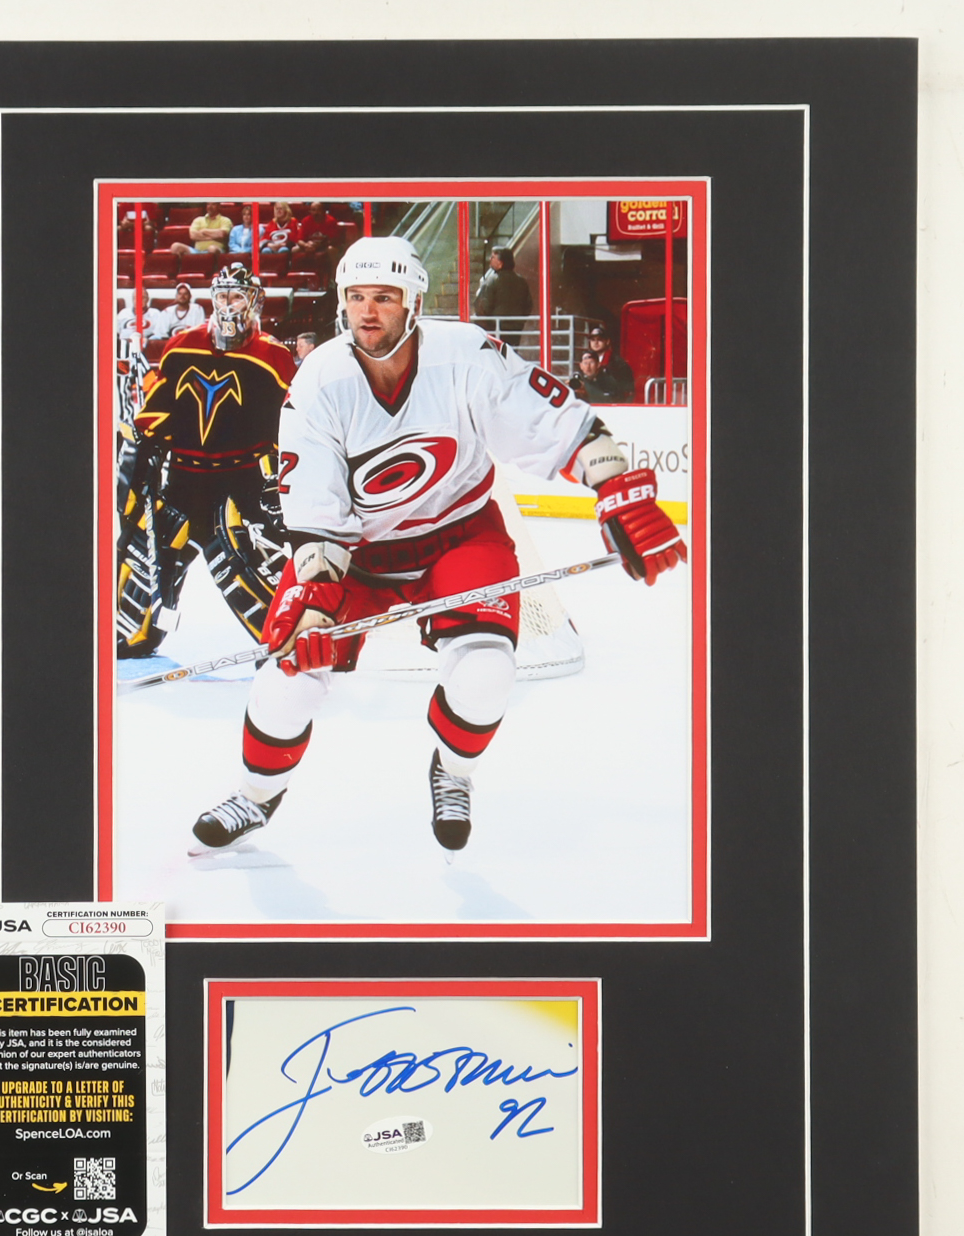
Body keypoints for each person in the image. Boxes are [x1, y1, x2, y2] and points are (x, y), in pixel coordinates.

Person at [189, 237, 685, 856]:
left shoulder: (467, 355)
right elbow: (314, 506)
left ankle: (453, 773)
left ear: (415, 303)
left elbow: (558, 422)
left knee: (486, 671)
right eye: (356, 296)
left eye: (385, 297)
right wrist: (314, 606)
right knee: (287, 677)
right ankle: (255, 796)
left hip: (460, 535)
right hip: (355, 556)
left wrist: (618, 488)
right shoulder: (319, 380)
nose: (368, 311)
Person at [116, 263, 297, 658]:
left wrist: (277, 476)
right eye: (222, 296)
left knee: (251, 571)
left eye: (238, 296)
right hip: (183, 481)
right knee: (141, 579)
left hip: (241, 485)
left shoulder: (274, 356)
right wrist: (146, 448)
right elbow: (158, 408)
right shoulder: (183, 344)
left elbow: (286, 423)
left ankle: (284, 638)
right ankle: (134, 632)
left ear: (254, 301)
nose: (229, 305)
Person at [473, 246, 532, 347]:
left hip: (495, 329)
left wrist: (485, 323)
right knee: (511, 353)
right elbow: (528, 305)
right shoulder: (521, 281)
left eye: (493, 257)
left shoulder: (492, 281)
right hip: (515, 329)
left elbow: (482, 306)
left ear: (500, 263)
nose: (490, 259)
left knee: (495, 353)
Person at [584, 322, 636, 401]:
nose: (595, 343)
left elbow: (627, 390)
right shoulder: (585, 359)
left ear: (607, 341)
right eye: (593, 340)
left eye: (599, 339)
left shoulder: (617, 363)